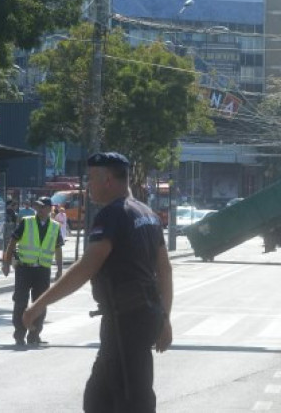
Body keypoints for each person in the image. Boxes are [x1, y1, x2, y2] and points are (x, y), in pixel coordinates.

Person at [23, 152, 173, 412]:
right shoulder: (147, 214)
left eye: (91, 178)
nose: (87, 185)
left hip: (124, 321)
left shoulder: (113, 214)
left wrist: (37, 305)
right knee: (107, 396)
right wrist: (165, 319)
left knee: (123, 398)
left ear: (107, 180)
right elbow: (165, 271)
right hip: (143, 316)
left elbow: (85, 269)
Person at [2, 196, 63, 346]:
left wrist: (60, 269)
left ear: (50, 209)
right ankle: (19, 335)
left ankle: (34, 334)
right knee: (20, 302)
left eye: (42, 207)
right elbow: (12, 242)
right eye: (38, 206)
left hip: (43, 270)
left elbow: (58, 249)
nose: (39, 209)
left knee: (40, 303)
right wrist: (6, 262)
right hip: (24, 268)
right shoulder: (27, 222)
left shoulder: (55, 226)